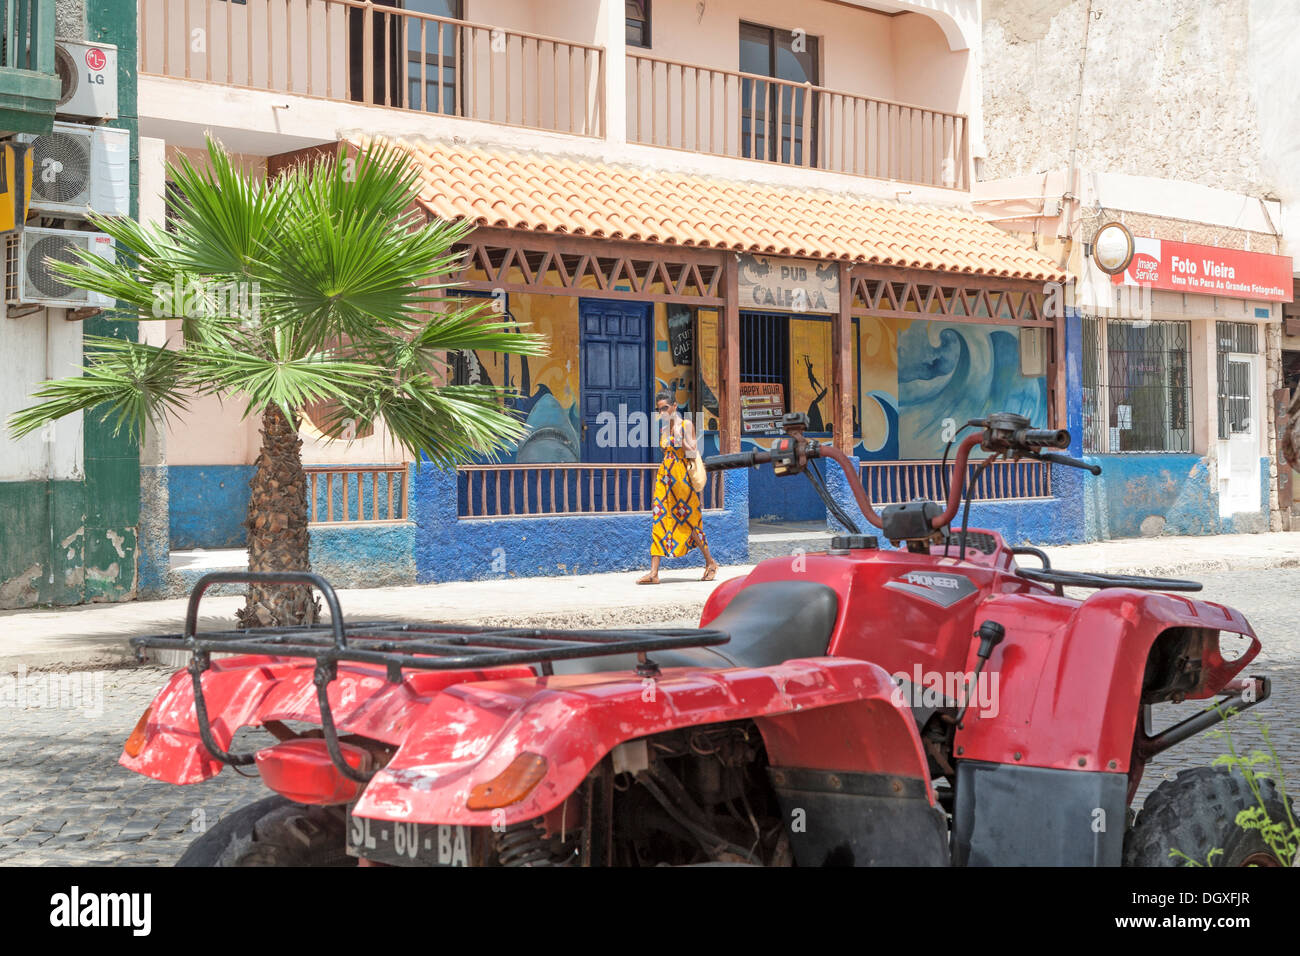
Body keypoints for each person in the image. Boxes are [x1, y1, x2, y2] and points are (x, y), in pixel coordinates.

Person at [638, 391, 719, 584]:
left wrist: (679, 438)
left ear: (674, 406)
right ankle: (654, 573)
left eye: (665, 408)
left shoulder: (686, 425)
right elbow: (666, 452)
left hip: (682, 479)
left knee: (690, 522)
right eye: (659, 409)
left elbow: (692, 452)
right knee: (659, 519)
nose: (663, 412)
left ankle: (710, 563)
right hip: (665, 479)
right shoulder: (664, 427)